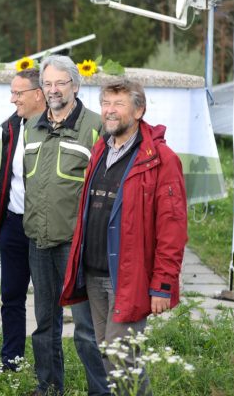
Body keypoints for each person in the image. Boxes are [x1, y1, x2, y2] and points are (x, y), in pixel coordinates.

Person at [61, 79, 187, 395]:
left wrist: (163, 284)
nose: (109, 111)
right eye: (105, 103)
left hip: (128, 277)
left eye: (118, 104)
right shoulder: (101, 148)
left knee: (124, 358)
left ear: (139, 110)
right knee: (108, 351)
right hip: (94, 272)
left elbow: (173, 227)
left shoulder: (160, 158)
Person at [23, 55, 108, 395]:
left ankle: (100, 391)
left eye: (61, 83)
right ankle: (49, 387)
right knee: (45, 324)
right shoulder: (31, 126)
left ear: (75, 85)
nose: (54, 89)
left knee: (87, 327)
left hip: (77, 245)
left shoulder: (96, 126)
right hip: (38, 242)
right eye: (48, 83)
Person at [0, 68, 46, 374]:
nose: (13, 100)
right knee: (11, 296)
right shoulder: (12, 126)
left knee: (46, 301)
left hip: (43, 227)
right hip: (13, 223)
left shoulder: (54, 126)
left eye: (18, 93)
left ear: (38, 94)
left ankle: (47, 366)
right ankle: (11, 361)